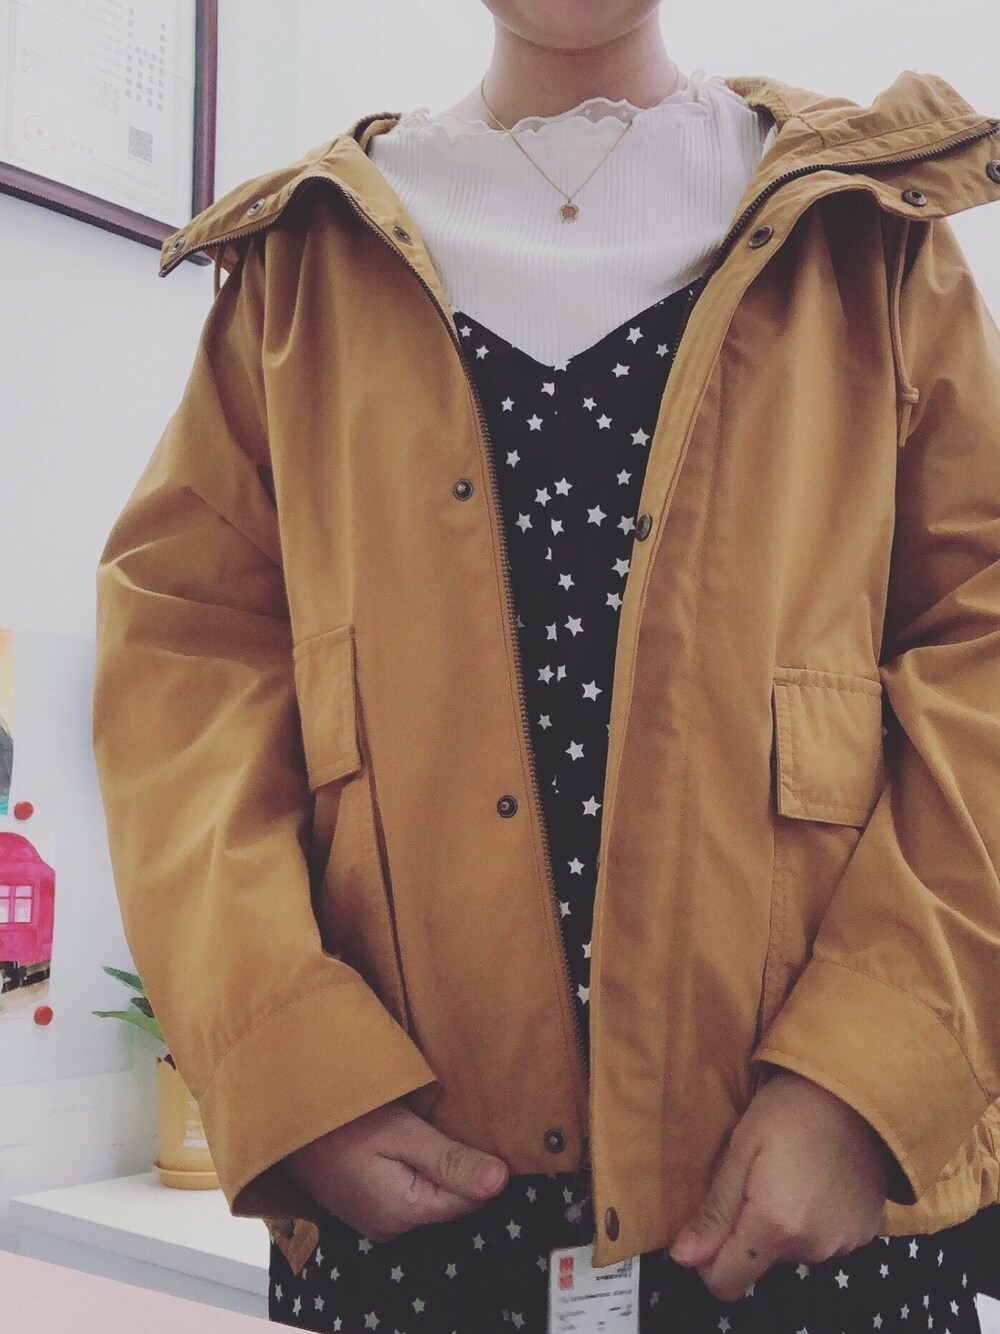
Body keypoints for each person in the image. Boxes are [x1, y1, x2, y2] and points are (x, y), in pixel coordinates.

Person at [91, 2, 1000, 1331]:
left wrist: (872, 1073)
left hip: (814, 1207)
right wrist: (294, 1064)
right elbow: (186, 677)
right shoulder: (301, 269)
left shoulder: (870, 238)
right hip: (406, 1213)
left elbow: (984, 653)